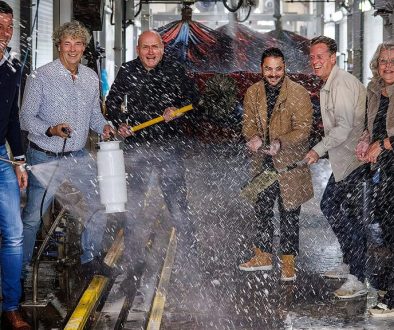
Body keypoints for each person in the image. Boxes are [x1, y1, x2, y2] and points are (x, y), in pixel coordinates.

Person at [20, 21, 114, 283]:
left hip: (77, 156)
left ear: (84, 47)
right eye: (67, 43)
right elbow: (25, 119)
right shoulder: (40, 76)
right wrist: (50, 129)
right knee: (32, 220)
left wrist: (105, 127)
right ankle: (21, 272)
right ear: (58, 45)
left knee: (98, 204)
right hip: (45, 156)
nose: (72, 49)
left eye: (78, 43)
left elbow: (95, 115)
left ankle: (89, 259)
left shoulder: (90, 78)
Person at [105, 30, 199, 270]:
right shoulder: (128, 70)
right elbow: (112, 102)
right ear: (138, 49)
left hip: (169, 147)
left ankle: (189, 257)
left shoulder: (175, 70)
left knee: (177, 205)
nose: (150, 52)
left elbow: (194, 99)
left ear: (162, 48)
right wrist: (121, 123)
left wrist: (177, 108)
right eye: (145, 47)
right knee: (134, 205)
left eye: (154, 47)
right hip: (137, 148)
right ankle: (132, 258)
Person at [239, 47, 313, 281]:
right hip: (263, 162)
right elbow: (248, 123)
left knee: (289, 212)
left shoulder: (298, 93)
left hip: (290, 164)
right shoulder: (253, 92)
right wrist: (253, 138)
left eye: (278, 69)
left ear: (285, 68)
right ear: (261, 69)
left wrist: (281, 142)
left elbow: (303, 129)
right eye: (268, 69)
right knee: (262, 209)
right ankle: (263, 256)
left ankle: (288, 263)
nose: (273, 74)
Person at [305, 36, 368, 298]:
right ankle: (349, 262)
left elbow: (343, 128)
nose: (315, 61)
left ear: (333, 57)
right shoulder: (331, 83)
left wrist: (317, 150)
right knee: (332, 207)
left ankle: (358, 277)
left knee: (348, 216)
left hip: (355, 160)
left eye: (321, 56)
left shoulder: (341, 84)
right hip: (344, 161)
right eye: (312, 57)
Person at [355, 41, 394, 317]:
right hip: (386, 170)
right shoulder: (374, 91)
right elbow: (373, 126)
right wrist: (366, 139)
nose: (388, 65)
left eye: (393, 60)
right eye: (383, 60)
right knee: (387, 225)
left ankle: (392, 298)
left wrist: (381, 145)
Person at [0, 1, 31, 329]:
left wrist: (19, 162)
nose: (5, 34)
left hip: (1, 161)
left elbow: (11, 119)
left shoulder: (13, 68)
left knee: (14, 234)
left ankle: (10, 306)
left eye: (9, 27)